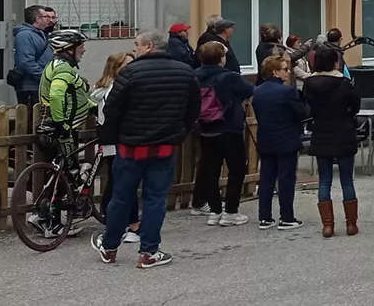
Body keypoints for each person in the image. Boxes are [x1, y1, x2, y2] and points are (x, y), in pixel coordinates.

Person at [91, 29, 201, 268]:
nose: (134, 49)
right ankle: (149, 252)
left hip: (131, 146)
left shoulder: (130, 73)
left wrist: (114, 138)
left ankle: (110, 247)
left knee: (121, 197)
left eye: (137, 44)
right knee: (155, 199)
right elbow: (193, 111)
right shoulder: (185, 72)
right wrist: (179, 134)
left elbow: (112, 110)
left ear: (149, 46)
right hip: (164, 146)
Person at [302, 44, 361, 238]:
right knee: (346, 180)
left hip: (321, 131)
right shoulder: (343, 83)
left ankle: (328, 225)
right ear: (335, 62)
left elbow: (308, 107)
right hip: (343, 130)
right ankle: (351, 224)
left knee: (324, 181)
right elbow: (355, 106)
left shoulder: (309, 83)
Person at [193, 41, 255, 227]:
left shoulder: (194, 76)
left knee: (211, 170)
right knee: (236, 169)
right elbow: (249, 90)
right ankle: (230, 211)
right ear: (221, 58)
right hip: (229, 127)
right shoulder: (229, 77)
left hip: (205, 128)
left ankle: (214, 211)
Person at [90, 52, 140, 243]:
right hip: (118, 141)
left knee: (116, 182)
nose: (131, 68)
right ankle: (131, 225)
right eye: (127, 65)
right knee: (124, 184)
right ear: (116, 68)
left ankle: (117, 223)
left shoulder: (105, 89)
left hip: (111, 140)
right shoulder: (115, 90)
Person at [253, 55, 306, 230]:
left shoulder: (258, 91)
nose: (288, 72)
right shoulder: (287, 91)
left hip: (266, 138)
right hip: (286, 139)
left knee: (267, 179)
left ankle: (265, 217)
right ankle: (287, 217)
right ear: (275, 72)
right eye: (284, 69)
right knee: (286, 179)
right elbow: (301, 113)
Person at [41, 29, 94, 132]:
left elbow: (75, 94)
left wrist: (93, 108)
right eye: (81, 47)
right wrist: (60, 123)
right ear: (69, 49)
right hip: (64, 129)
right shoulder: (62, 68)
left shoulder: (60, 66)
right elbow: (56, 95)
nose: (84, 50)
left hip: (68, 126)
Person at [12, 5, 55, 106]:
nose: (49, 20)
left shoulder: (39, 34)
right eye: (46, 17)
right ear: (38, 19)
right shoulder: (25, 35)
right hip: (30, 87)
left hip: (39, 85)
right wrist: (45, 77)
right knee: (31, 116)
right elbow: (26, 62)